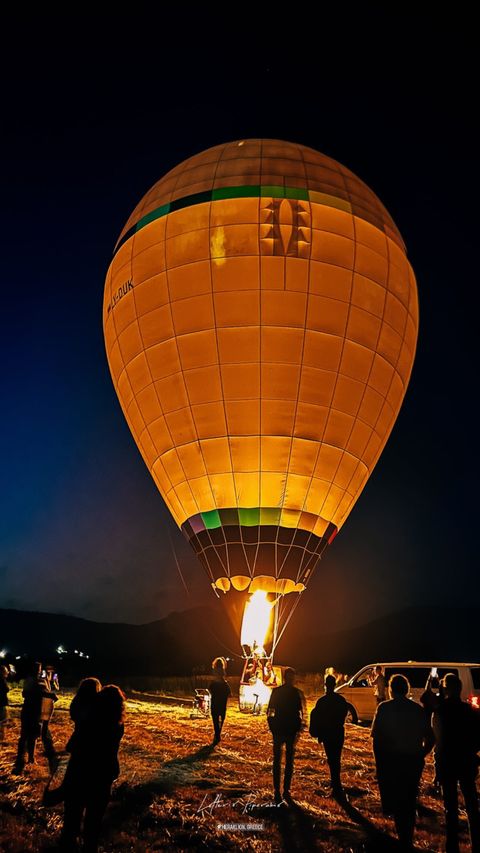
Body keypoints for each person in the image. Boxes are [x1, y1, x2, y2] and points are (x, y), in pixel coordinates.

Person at [371, 674, 434, 849]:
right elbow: (431, 738)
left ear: (390, 690)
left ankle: (402, 838)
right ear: (406, 690)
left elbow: (376, 739)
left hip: (392, 761)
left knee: (398, 800)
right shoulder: (418, 710)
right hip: (412, 761)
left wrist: (380, 764)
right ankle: (408, 836)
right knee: (409, 798)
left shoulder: (384, 708)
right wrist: (421, 754)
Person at [61, 683, 125, 852]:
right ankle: (90, 847)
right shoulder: (118, 726)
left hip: (81, 771)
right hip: (104, 773)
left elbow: (71, 746)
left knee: (73, 814)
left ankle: (68, 844)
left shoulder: (88, 722)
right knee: (94, 819)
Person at [433, 673, 480, 853]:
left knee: (450, 809)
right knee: (472, 806)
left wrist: (437, 766)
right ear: (460, 689)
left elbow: (439, 741)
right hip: (466, 762)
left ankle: (452, 847)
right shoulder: (470, 711)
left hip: (448, 763)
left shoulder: (441, 711)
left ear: (445, 689)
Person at [310, 673, 358, 799]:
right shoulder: (341, 701)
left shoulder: (321, 702)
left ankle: (335, 786)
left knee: (331, 759)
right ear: (335, 685)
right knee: (336, 759)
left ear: (326, 685)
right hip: (338, 733)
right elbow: (343, 715)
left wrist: (317, 732)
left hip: (327, 734)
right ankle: (336, 784)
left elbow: (316, 718)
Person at [267, 667, 306, 803]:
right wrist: (272, 727)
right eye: (290, 677)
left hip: (286, 731)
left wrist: (297, 728)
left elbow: (301, 713)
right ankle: (281, 790)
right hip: (283, 730)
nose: (291, 680)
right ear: (288, 678)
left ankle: (283, 790)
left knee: (283, 761)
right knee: (283, 761)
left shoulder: (284, 692)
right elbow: (270, 711)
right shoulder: (293, 693)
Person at [13, 661, 55, 773]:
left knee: (34, 735)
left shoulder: (40, 680)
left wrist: (47, 694)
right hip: (29, 711)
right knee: (25, 735)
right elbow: (25, 694)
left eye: (39, 668)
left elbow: (44, 691)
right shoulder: (30, 680)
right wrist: (45, 694)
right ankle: (20, 759)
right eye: (37, 668)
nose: (39, 670)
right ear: (32, 669)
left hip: (37, 711)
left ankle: (31, 758)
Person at [39, 664, 59, 772]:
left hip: (48, 700)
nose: (49, 672)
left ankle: (44, 734)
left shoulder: (52, 677)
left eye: (51, 670)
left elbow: (56, 687)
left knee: (46, 719)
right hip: (45, 701)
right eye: (48, 670)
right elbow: (43, 689)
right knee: (42, 718)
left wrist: (55, 682)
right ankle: (43, 735)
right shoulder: (43, 677)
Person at [208, 661, 231, 744]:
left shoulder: (213, 682)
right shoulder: (225, 684)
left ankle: (217, 735)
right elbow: (229, 693)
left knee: (215, 718)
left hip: (215, 702)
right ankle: (218, 734)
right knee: (221, 718)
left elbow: (210, 689)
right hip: (222, 702)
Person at [0, 664, 9, 743]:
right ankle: (2, 739)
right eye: (6, 671)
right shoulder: (2, 680)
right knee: (3, 721)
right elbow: (6, 689)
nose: (8, 672)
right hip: (1, 703)